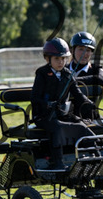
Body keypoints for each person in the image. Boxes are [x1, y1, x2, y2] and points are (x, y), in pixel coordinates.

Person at [31, 37, 96, 170]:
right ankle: (58, 162)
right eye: (57, 59)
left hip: (61, 114)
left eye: (63, 59)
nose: (61, 62)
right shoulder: (42, 73)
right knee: (57, 127)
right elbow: (35, 97)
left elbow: (78, 94)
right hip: (44, 116)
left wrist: (88, 102)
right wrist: (48, 104)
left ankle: (95, 154)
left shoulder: (68, 74)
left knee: (81, 124)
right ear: (47, 59)